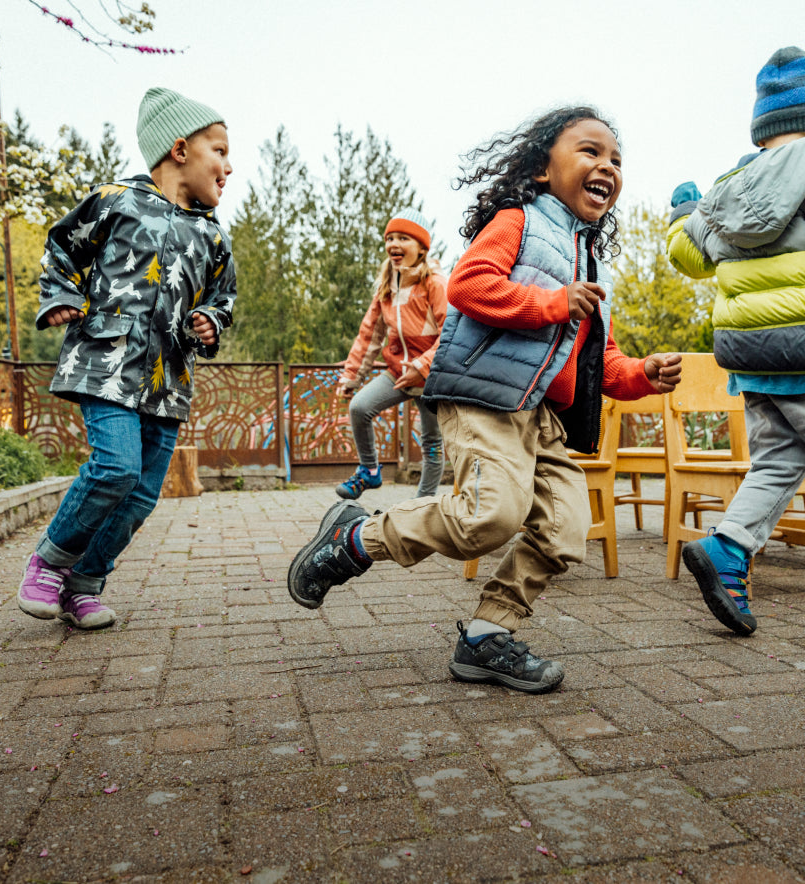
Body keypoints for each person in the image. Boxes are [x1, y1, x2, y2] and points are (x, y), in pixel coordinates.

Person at [288, 105, 681, 694]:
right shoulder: (517, 220)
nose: (607, 166)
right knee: (489, 516)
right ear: (544, 169)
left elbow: (601, 361)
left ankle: (485, 636)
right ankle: (356, 538)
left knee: (567, 529)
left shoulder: (589, 260)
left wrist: (644, 373)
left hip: (540, 417)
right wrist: (552, 303)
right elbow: (470, 285)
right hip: (483, 399)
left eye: (616, 160)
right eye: (590, 151)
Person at [16, 86, 237, 630]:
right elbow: (63, 247)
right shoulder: (117, 201)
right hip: (106, 363)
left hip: (168, 378)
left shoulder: (213, 236)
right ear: (180, 150)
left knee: (140, 496)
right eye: (221, 151)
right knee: (116, 468)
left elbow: (221, 296)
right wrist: (63, 297)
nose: (229, 166)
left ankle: (85, 585)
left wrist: (211, 320)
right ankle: (49, 561)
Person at [667, 46, 805, 637]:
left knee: (779, 459)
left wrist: (681, 212)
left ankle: (728, 547)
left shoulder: (730, 188)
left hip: (751, 360)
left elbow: (688, 254)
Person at [335, 209, 448, 500]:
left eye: (403, 238)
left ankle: (422, 505)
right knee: (360, 408)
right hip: (398, 371)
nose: (393, 244)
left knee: (432, 443)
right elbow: (369, 336)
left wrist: (422, 366)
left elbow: (452, 334)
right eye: (390, 238)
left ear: (422, 248)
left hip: (432, 376)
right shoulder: (387, 287)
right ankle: (369, 471)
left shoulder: (434, 284)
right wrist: (351, 376)